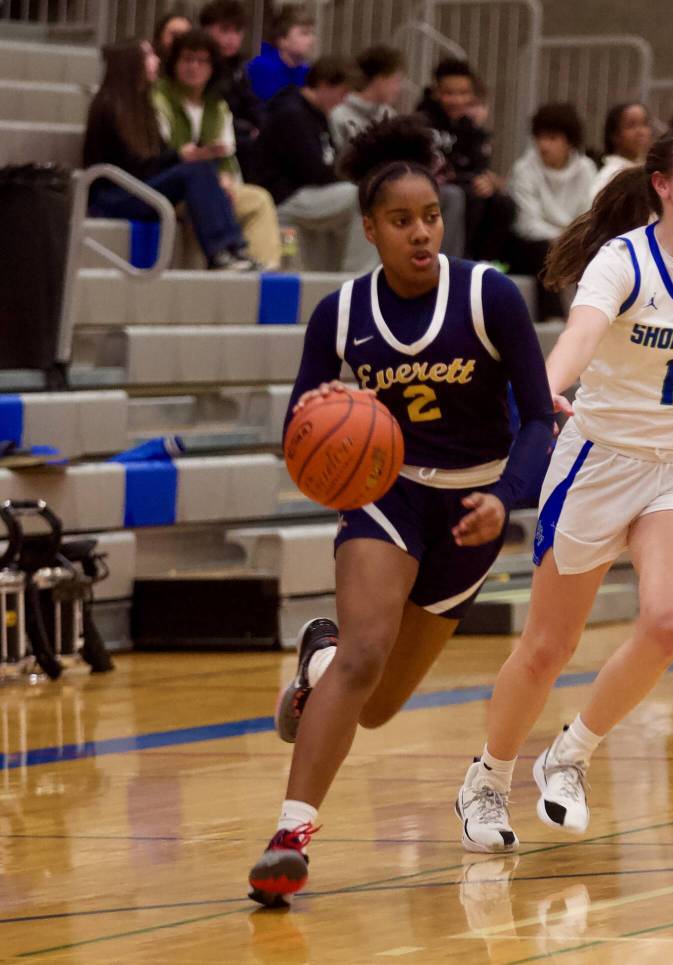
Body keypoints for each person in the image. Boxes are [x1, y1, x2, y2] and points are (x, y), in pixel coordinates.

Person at [246, 117, 554, 906]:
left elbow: (539, 419)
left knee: (375, 705)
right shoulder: (340, 315)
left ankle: (315, 661)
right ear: (369, 230)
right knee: (365, 656)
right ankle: (290, 836)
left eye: (431, 217)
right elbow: (297, 429)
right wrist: (320, 413)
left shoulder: (488, 295)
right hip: (385, 493)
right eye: (402, 220)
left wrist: (507, 498)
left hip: (474, 506)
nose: (421, 233)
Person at [453, 126, 673, 852]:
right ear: (663, 183)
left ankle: (570, 753)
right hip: (600, 461)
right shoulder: (622, 260)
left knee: (668, 623)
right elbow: (579, 336)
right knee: (547, 645)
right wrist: (545, 393)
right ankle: (488, 776)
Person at [83, 40, 255, 271]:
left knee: (202, 167)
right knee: (193, 171)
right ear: (132, 64)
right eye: (149, 56)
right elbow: (134, 166)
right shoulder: (110, 106)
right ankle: (219, 251)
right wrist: (179, 157)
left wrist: (186, 156)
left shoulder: (142, 106)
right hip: (114, 195)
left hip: (138, 185)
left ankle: (234, 247)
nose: (156, 61)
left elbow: (155, 158)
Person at [153, 29, 281, 269]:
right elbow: (158, 154)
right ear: (174, 63)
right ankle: (224, 256)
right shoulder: (159, 98)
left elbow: (226, 157)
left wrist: (228, 181)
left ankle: (264, 275)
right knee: (203, 187)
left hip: (212, 183)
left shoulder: (218, 105)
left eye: (202, 61)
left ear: (213, 68)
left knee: (259, 199)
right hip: (172, 184)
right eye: (188, 59)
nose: (194, 67)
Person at [328, 46, 466, 259]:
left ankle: (441, 264)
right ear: (380, 79)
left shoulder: (388, 113)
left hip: (395, 180)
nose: (399, 87)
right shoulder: (340, 114)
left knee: (451, 195)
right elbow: (343, 164)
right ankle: (364, 267)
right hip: (359, 182)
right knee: (377, 195)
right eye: (396, 80)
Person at [253, 56, 376, 272]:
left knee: (358, 195)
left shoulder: (317, 114)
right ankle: (358, 275)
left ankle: (340, 275)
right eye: (343, 92)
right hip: (285, 197)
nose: (344, 100)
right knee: (364, 196)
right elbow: (315, 172)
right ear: (324, 85)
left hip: (308, 193)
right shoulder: (291, 114)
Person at [417, 58, 515, 263]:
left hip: (463, 185)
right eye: (450, 93)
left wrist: (488, 181)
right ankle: (455, 260)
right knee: (465, 195)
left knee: (503, 202)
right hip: (433, 186)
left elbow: (480, 166)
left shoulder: (469, 127)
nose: (458, 100)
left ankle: (487, 262)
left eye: (463, 93)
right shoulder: (423, 123)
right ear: (436, 92)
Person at [508, 103, 597, 319]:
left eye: (552, 138)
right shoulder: (524, 169)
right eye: (539, 137)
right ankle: (553, 318)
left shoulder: (587, 169)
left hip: (574, 242)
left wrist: (572, 240)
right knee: (543, 252)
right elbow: (528, 223)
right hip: (534, 245)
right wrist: (560, 239)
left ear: (569, 142)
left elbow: (589, 216)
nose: (543, 145)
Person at [199, 0, 265, 181]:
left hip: (240, 132)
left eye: (237, 32)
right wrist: (247, 129)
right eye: (224, 30)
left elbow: (252, 104)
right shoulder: (199, 66)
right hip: (212, 135)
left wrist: (262, 126)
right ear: (206, 30)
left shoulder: (237, 68)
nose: (232, 38)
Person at [247, 3, 314, 101]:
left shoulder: (307, 71)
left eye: (311, 33)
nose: (311, 40)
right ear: (282, 39)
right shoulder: (262, 68)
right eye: (304, 34)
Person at [590, 101, 652, 200]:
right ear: (615, 136)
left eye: (644, 124)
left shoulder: (650, 171)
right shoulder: (609, 177)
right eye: (631, 125)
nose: (641, 131)